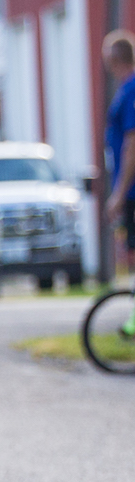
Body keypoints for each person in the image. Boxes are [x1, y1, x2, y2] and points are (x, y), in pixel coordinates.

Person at [103, 30, 135, 337]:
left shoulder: (131, 90)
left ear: (115, 59)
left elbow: (131, 144)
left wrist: (119, 194)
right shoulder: (127, 89)